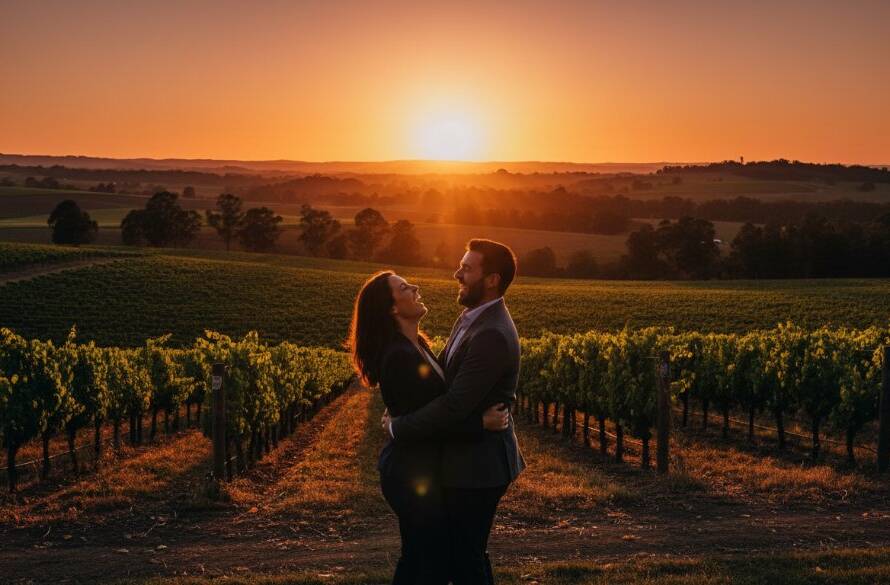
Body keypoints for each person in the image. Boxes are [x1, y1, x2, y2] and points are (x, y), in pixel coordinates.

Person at [348, 270, 510, 584]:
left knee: (421, 558)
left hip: (418, 471)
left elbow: (431, 413)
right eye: (404, 288)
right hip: (411, 475)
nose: (415, 287)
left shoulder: (415, 345)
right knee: (430, 562)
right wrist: (481, 423)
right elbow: (430, 424)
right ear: (393, 308)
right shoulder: (399, 356)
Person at [383, 239, 526, 585]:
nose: (456, 274)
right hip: (463, 459)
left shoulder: (491, 332)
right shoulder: (470, 318)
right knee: (456, 556)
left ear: (491, 280)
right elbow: (444, 381)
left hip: (479, 467)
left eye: (466, 268)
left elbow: (453, 405)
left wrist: (397, 428)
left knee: (466, 559)